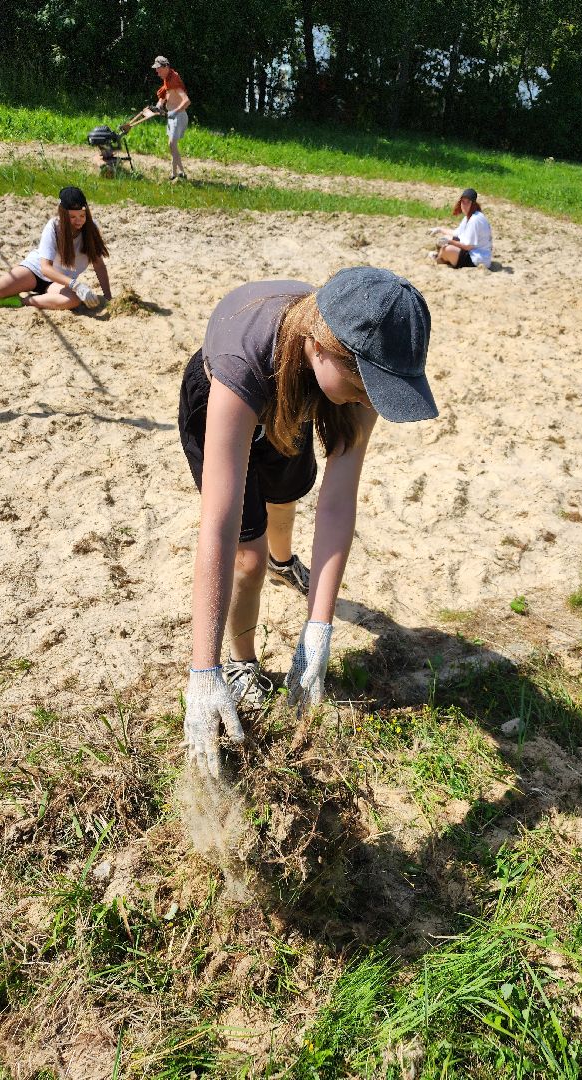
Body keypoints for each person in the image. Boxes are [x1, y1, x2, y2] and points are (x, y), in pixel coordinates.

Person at [179, 267, 437, 778]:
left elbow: (338, 501)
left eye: (385, 389)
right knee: (246, 559)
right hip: (227, 393)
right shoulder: (244, 360)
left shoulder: (359, 371)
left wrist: (318, 632)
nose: (373, 400)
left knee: (287, 497)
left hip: (304, 391)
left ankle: (284, 561)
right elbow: (218, 523)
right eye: (368, 385)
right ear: (321, 346)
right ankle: (243, 662)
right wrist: (202, 672)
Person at [0, 186, 111, 311]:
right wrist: (75, 284)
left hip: (59, 282)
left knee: (73, 300)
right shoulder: (54, 226)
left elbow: (99, 265)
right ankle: (5, 294)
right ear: (63, 214)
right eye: (72, 217)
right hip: (35, 271)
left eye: (82, 215)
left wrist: (108, 298)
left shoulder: (92, 229)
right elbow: (45, 268)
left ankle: (21, 301)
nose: (78, 221)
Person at [152, 55, 191, 182]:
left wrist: (175, 111)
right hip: (172, 116)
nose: (157, 72)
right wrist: (159, 105)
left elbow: (186, 101)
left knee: (172, 144)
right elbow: (165, 94)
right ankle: (175, 174)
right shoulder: (168, 79)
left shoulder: (174, 80)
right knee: (172, 146)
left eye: (158, 69)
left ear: (166, 67)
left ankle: (181, 172)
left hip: (178, 116)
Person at [432, 188, 492, 269]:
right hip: (472, 252)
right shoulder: (469, 217)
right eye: (463, 202)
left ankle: (439, 259)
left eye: (468, 202)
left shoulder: (475, 219)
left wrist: (450, 242)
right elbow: (456, 233)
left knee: (446, 249)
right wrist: (439, 229)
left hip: (478, 259)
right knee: (445, 239)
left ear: (473, 204)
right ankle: (442, 257)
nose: (464, 205)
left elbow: (468, 246)